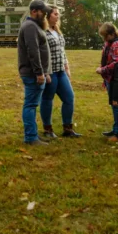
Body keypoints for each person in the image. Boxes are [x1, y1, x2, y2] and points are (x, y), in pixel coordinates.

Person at [40, 7, 81, 139]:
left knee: (69, 98)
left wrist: (67, 67)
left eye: (58, 14)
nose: (58, 16)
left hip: (61, 72)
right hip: (50, 72)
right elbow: (40, 54)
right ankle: (47, 129)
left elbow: (62, 51)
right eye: (55, 14)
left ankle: (67, 129)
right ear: (48, 16)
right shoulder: (42, 32)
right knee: (47, 100)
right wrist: (44, 72)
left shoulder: (57, 31)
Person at [17, 0, 52, 146]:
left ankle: (33, 135)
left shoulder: (33, 26)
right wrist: (39, 73)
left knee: (32, 105)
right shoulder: (30, 26)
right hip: (32, 74)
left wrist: (46, 72)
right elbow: (33, 51)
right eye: (42, 12)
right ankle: (31, 137)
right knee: (30, 105)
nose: (44, 15)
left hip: (36, 73)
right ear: (33, 11)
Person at [95, 22, 118, 139]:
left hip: (115, 80)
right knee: (114, 105)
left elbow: (117, 63)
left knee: (117, 106)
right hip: (109, 79)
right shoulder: (109, 42)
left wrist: (103, 70)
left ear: (112, 33)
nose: (104, 39)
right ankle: (116, 129)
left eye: (106, 36)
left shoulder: (117, 44)